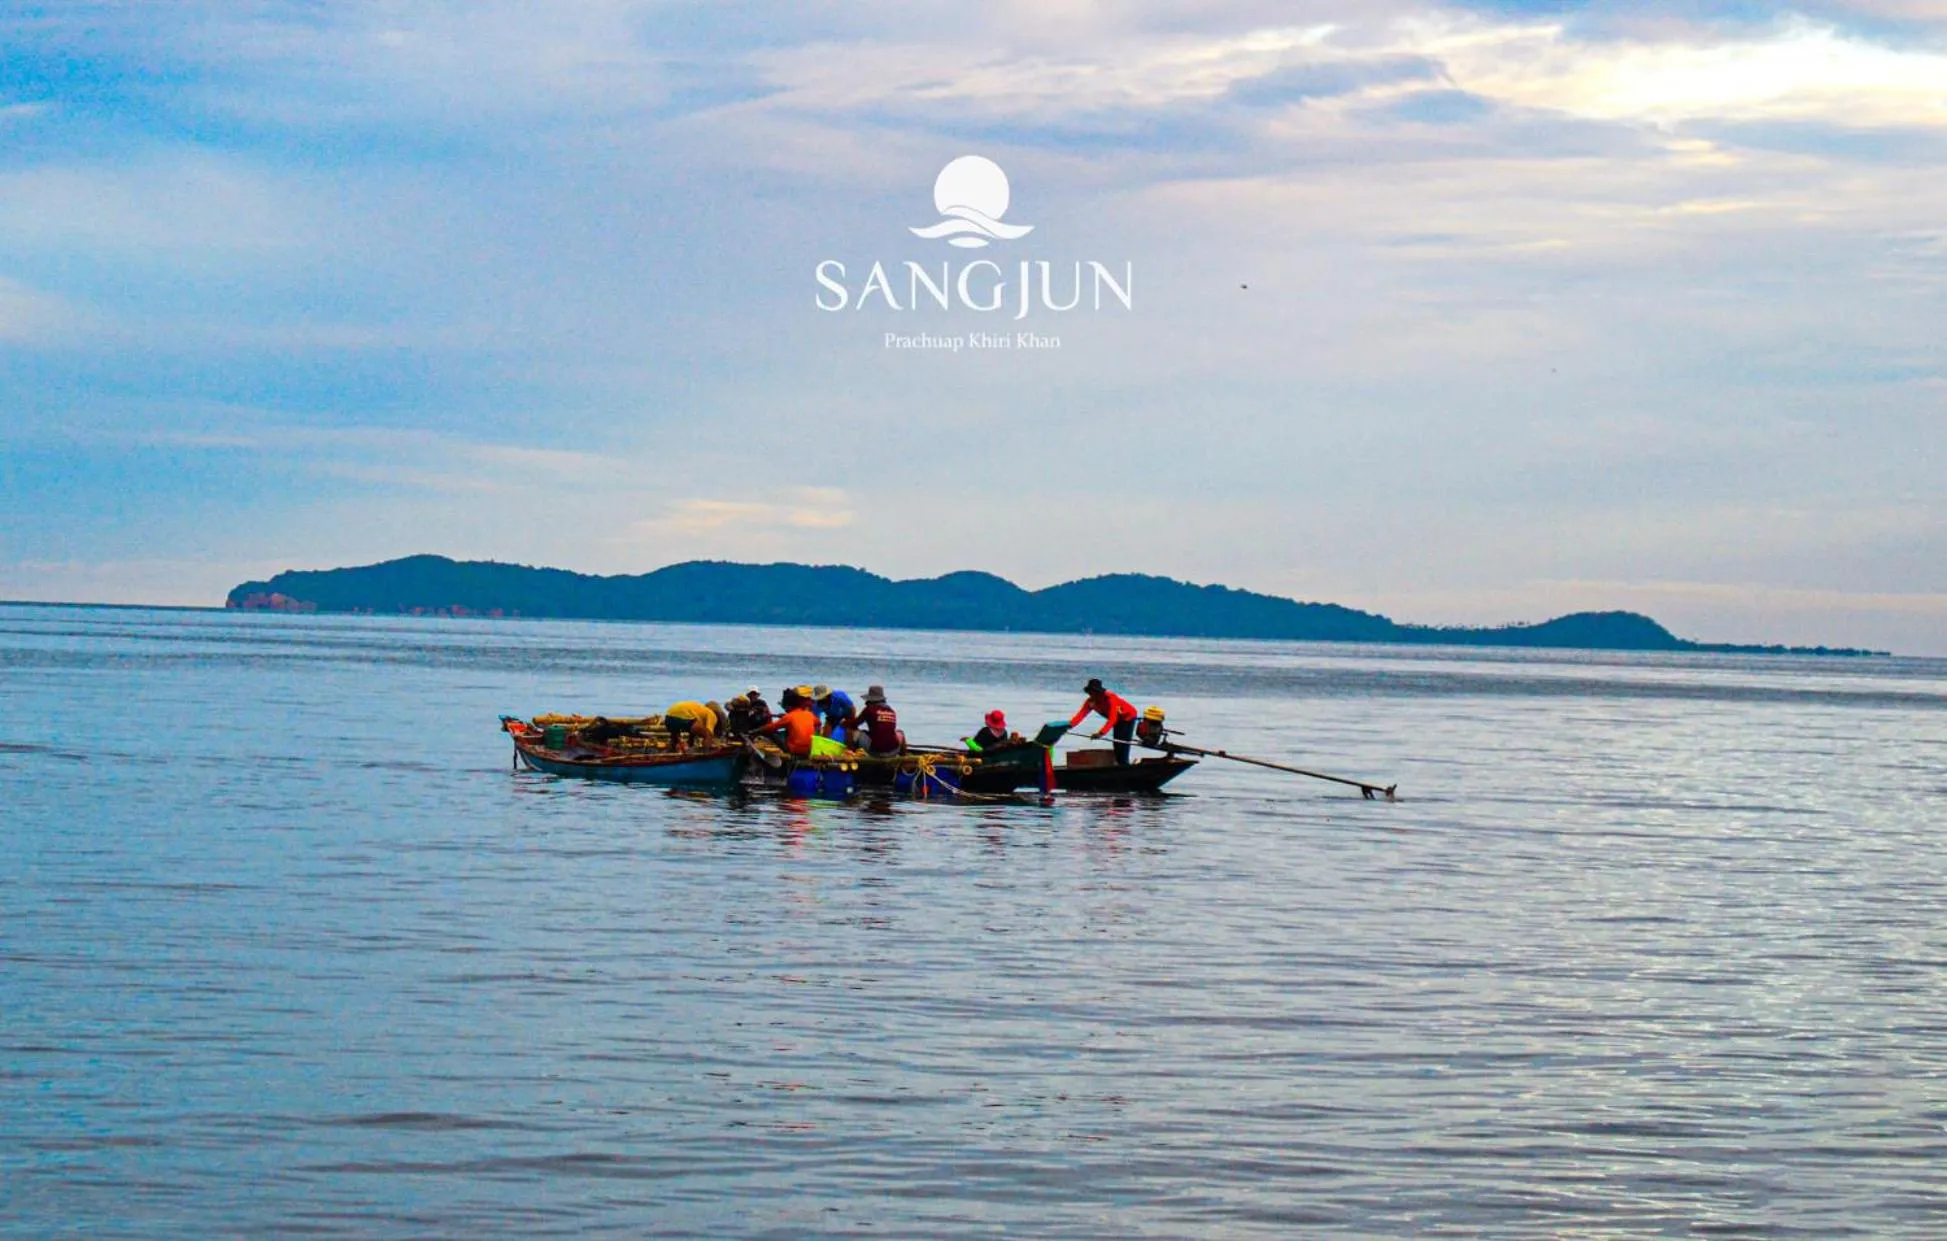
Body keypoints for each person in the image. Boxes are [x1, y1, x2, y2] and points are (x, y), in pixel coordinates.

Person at [1071, 677, 1139, 764]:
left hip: (1128, 717)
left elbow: (1113, 718)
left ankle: (1124, 765)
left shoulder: (1110, 698)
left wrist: (1101, 733)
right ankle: (1121, 764)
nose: (1091, 695)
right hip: (1117, 720)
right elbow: (1081, 715)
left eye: (1094, 692)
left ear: (1098, 692)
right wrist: (1069, 726)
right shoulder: (1090, 701)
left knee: (1122, 744)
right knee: (1116, 745)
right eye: (1090, 692)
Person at [758, 692, 821, 758]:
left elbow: (771, 727)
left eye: (785, 707)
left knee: (772, 733)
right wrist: (814, 735)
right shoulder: (809, 714)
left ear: (789, 706)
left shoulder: (789, 716)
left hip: (794, 749)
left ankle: (787, 752)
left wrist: (755, 731)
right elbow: (818, 724)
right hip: (809, 749)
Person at [856, 684, 904, 756]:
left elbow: (854, 724)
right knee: (900, 733)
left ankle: (853, 757)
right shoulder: (891, 711)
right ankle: (904, 758)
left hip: (875, 751)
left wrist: (844, 723)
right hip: (894, 750)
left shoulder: (869, 709)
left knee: (853, 732)